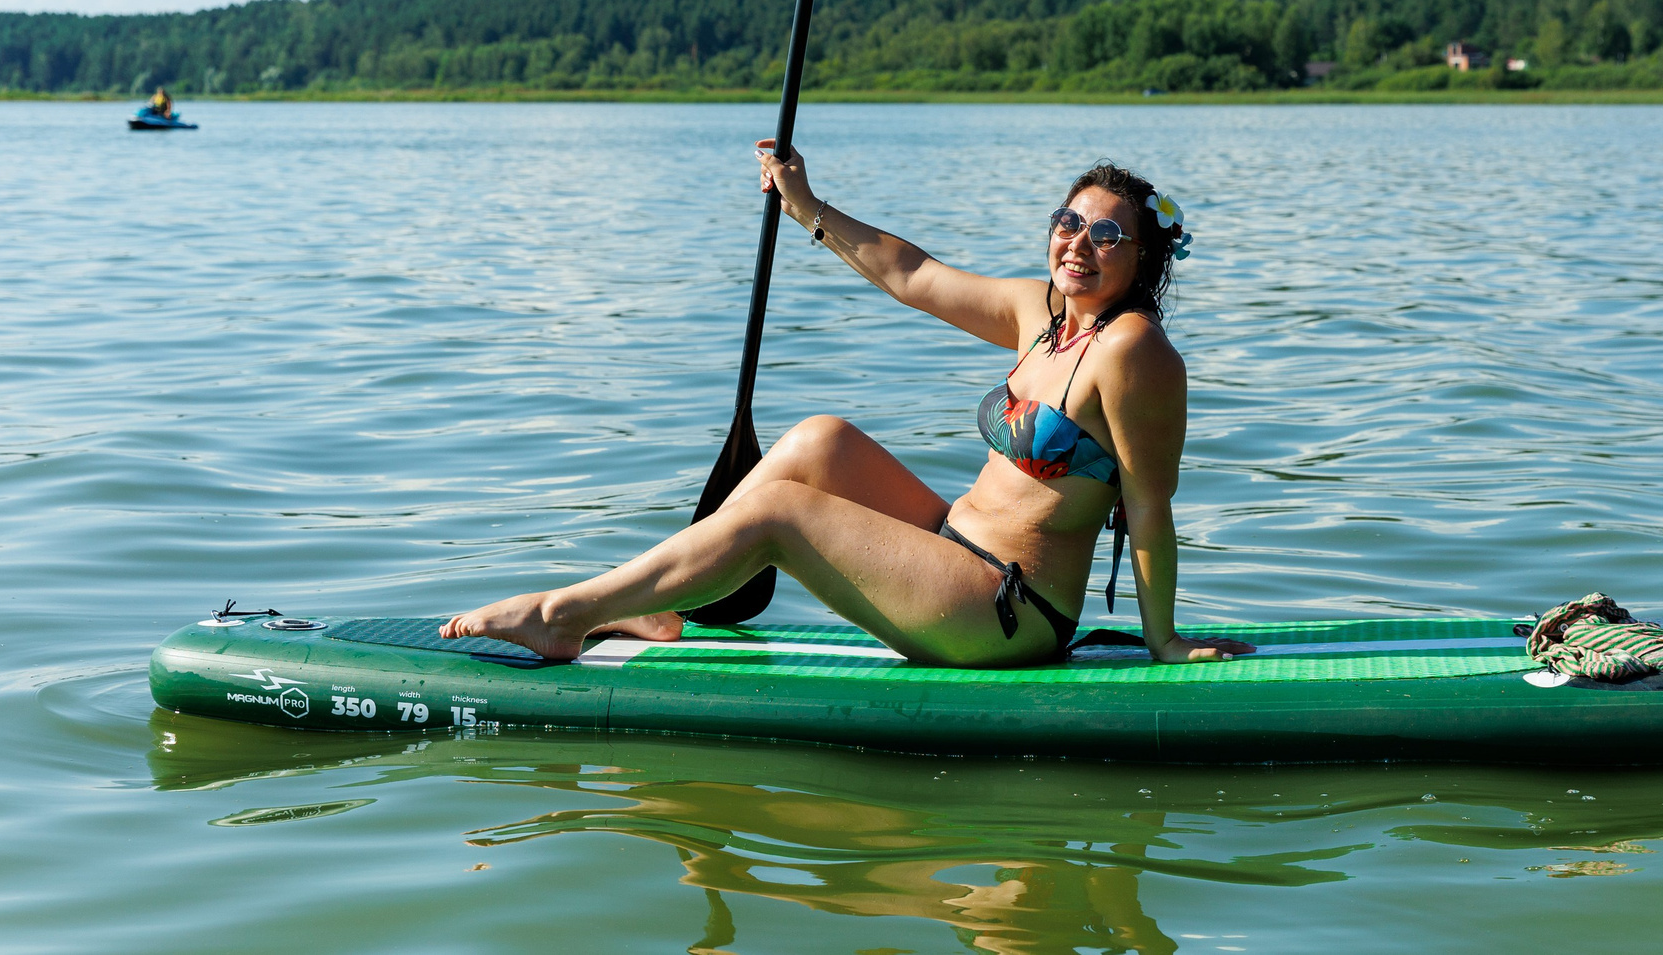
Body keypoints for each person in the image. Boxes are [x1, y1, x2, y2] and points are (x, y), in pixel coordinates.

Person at [441, 144, 1250, 668]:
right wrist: (807, 206)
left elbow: (1149, 508)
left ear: (1142, 259)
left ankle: (561, 612)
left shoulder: (1133, 350)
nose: (1078, 241)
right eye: (1069, 221)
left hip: (1010, 609)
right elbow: (913, 274)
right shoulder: (1039, 314)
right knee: (816, 442)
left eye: (1107, 235)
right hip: (950, 546)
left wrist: (1165, 641)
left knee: (780, 514)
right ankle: (663, 610)